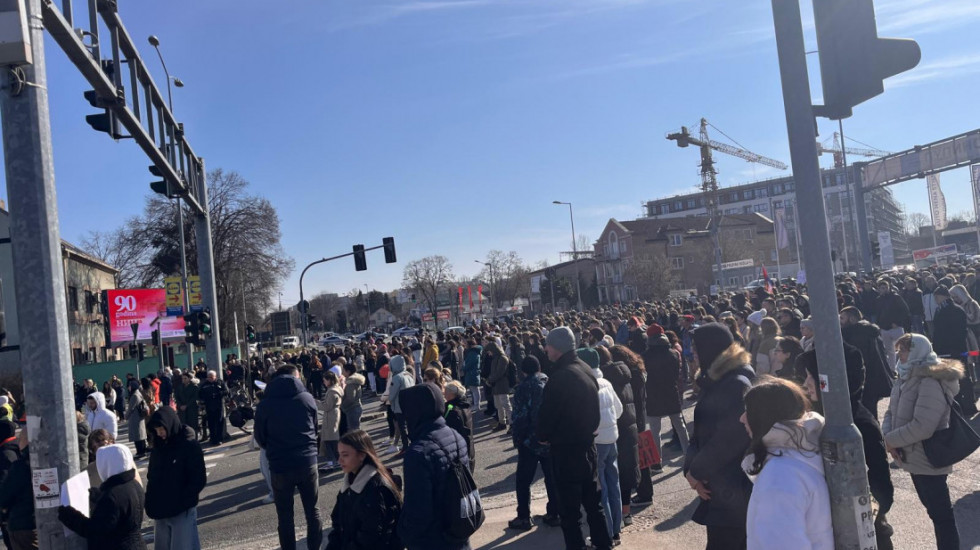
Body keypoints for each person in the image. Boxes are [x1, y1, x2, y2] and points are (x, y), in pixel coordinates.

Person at [799, 346, 895, 550]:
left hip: (863, 537)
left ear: (830, 381)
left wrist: (859, 518)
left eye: (810, 376)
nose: (806, 383)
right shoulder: (819, 418)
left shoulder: (858, 425)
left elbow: (881, 491)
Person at [882, 334, 963, 550]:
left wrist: (890, 440)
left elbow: (923, 426)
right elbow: (890, 411)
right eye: (898, 350)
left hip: (928, 457)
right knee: (934, 511)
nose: (899, 354)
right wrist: (889, 439)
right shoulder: (906, 375)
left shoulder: (929, 380)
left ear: (918, 351)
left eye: (904, 350)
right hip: (911, 454)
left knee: (941, 516)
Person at [537, 327, 612, 550]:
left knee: (570, 513)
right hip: (588, 445)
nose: (545, 350)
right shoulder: (585, 368)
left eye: (548, 346)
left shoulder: (560, 377)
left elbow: (546, 416)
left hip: (566, 451)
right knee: (593, 505)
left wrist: (543, 436)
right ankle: (603, 544)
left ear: (556, 347)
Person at [739, 377, 832, 550]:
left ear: (764, 417)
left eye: (748, 411)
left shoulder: (779, 477)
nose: (742, 418)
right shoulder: (806, 451)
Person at [683, 322, 754, 550]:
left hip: (732, 488)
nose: (692, 352)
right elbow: (700, 433)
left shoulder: (734, 383)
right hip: (717, 485)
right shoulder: (716, 380)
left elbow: (728, 439)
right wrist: (690, 471)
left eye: (696, 347)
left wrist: (697, 471)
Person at [254, 365, 322, 550]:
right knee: (313, 511)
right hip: (307, 460)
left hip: (280, 463)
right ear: (296, 377)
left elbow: (260, 437)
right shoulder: (306, 398)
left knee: (285, 516)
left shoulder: (265, 403)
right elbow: (315, 428)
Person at [396, 383, 472, 550]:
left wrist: (403, 535)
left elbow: (418, 511)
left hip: (434, 538)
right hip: (458, 528)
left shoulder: (418, 452)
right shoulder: (454, 434)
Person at [58, 444, 148, 550]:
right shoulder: (133, 484)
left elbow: (95, 530)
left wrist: (70, 516)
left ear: (106, 465)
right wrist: (99, 496)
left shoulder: (112, 496)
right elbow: (121, 513)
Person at [325, 430, 403, 550]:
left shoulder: (376, 489)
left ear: (362, 455)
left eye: (345, 455)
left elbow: (371, 536)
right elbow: (338, 525)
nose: (339, 460)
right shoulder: (350, 482)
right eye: (339, 454)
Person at [507, 356, 560, 531]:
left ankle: (523, 516)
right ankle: (554, 512)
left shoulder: (523, 387)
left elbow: (520, 416)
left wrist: (518, 439)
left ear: (523, 371)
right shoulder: (549, 382)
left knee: (523, 480)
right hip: (550, 438)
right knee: (551, 478)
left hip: (530, 440)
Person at [145, 406, 206, 550]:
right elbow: (152, 476)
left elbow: (198, 478)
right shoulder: (158, 447)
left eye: (162, 429)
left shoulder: (188, 445)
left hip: (181, 508)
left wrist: (184, 499)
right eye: (157, 430)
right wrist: (151, 501)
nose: (160, 433)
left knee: (185, 545)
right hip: (161, 509)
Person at [581, 347, 624, 545]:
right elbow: (619, 410)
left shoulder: (587, 384)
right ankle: (617, 528)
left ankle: (606, 532)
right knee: (613, 484)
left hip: (597, 441)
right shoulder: (606, 381)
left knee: (602, 489)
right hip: (612, 438)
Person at [642, 324, 688, 477]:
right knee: (680, 426)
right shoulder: (673, 353)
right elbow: (677, 375)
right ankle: (689, 456)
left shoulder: (646, 356)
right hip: (670, 392)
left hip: (653, 395)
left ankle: (657, 463)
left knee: (655, 430)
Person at [840, 306, 895, 419]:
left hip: (864, 379)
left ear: (851, 319)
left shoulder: (856, 335)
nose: (840, 321)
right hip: (874, 377)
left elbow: (858, 360)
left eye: (842, 318)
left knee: (865, 412)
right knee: (870, 411)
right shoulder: (869, 331)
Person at [0, 431, 35, 550]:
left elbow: (5, 495)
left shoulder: (20, 466)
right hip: (33, 523)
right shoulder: (49, 461)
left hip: (23, 524)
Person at [443, 381, 476, 473]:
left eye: (445, 392)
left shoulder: (453, 412)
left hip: (459, 455)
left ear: (451, 394)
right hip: (469, 450)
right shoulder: (465, 406)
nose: (444, 394)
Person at [876, 280, 910, 369]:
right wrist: (878, 326)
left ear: (888, 288)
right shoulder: (878, 300)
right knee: (889, 351)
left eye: (885, 287)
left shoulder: (896, 297)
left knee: (903, 348)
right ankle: (893, 369)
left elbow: (905, 310)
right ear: (878, 289)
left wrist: (898, 322)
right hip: (884, 328)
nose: (883, 290)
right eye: (881, 288)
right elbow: (878, 314)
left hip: (896, 328)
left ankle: (905, 366)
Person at [388, 355, 415, 458]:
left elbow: (392, 394)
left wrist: (389, 401)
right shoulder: (408, 374)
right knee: (409, 426)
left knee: (402, 427)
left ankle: (405, 447)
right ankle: (410, 445)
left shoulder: (396, 377)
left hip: (399, 405)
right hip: (409, 404)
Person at [485, 340, 513, 433]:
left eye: (489, 351)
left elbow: (500, 373)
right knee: (498, 405)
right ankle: (502, 422)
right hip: (496, 385)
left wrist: (490, 379)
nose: (489, 353)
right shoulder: (495, 358)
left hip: (502, 384)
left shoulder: (502, 358)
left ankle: (512, 423)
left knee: (506, 404)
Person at [320, 371, 343, 472]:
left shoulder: (331, 391)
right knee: (332, 439)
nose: (324, 382)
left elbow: (327, 406)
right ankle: (337, 461)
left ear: (329, 380)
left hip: (330, 415)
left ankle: (332, 462)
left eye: (325, 380)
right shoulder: (336, 388)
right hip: (334, 414)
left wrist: (316, 403)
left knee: (329, 440)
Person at [198, 371, 228, 446]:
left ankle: (219, 439)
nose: (210, 379)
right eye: (209, 377)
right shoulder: (204, 384)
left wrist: (218, 394)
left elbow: (226, 391)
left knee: (219, 422)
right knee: (211, 424)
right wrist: (204, 400)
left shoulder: (220, 383)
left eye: (212, 377)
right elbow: (200, 394)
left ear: (215, 377)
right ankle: (213, 439)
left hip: (218, 405)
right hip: (209, 406)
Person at [127, 380, 149, 459]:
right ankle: (142, 450)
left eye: (129, 386)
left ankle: (140, 452)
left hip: (135, 417)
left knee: (137, 435)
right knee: (140, 434)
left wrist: (126, 416)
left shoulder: (134, 396)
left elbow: (130, 408)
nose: (128, 387)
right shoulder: (138, 393)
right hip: (139, 416)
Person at [341, 362, 365, 432]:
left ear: (348, 372)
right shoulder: (352, 381)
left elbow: (351, 398)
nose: (342, 372)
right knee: (355, 429)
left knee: (353, 431)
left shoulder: (351, 383)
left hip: (352, 408)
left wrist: (342, 405)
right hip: (355, 407)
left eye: (343, 370)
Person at [462, 339, 483, 412]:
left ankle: (477, 405)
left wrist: (464, 368)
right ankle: (476, 404)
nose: (464, 344)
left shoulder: (473, 353)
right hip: (473, 373)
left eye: (466, 343)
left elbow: (470, 364)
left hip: (472, 373)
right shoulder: (473, 352)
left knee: (475, 390)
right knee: (474, 390)